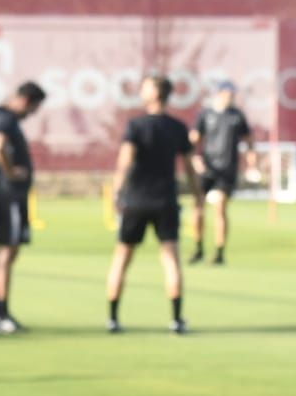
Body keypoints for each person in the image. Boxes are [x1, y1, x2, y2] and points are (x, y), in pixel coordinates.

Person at [106, 74, 201, 335]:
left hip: (136, 201)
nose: (141, 92)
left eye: (145, 88)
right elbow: (190, 168)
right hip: (165, 201)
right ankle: (177, 319)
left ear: (155, 94)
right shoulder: (177, 127)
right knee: (170, 259)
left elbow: (124, 162)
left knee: (122, 257)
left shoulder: (135, 126)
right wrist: (197, 196)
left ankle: (113, 318)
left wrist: (116, 192)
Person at [0, 81, 45, 335]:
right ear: (26, 101)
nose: (32, 114)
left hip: (11, 196)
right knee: (7, 251)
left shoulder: (5, 118)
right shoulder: (6, 119)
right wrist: (11, 172)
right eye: (34, 108)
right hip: (9, 196)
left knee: (8, 251)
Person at [189, 81, 257, 266]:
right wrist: (195, 159)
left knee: (219, 207)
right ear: (219, 93)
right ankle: (198, 247)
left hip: (227, 170)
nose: (230, 97)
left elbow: (249, 141)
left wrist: (252, 164)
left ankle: (219, 251)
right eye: (227, 93)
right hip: (207, 169)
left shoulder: (237, 116)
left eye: (232, 94)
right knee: (198, 208)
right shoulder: (206, 114)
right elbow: (194, 140)